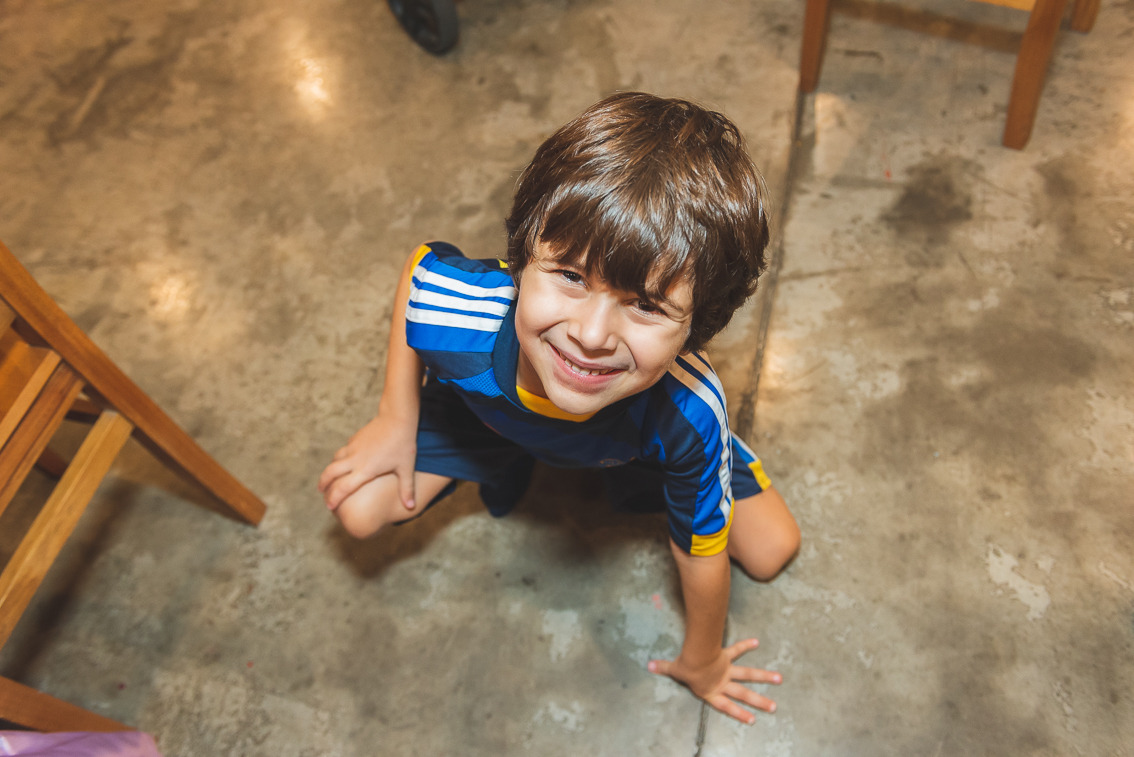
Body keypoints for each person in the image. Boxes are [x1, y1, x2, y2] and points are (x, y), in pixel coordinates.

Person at [318, 92, 800, 725]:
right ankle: (507, 454)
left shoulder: (691, 407)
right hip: (485, 418)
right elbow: (420, 271)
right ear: (520, 260)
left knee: (772, 549)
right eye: (570, 275)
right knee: (358, 511)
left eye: (647, 305)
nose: (592, 335)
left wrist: (703, 658)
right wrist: (395, 416)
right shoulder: (461, 313)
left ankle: (659, 469)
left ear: (698, 327)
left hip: (635, 440)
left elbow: (699, 553)